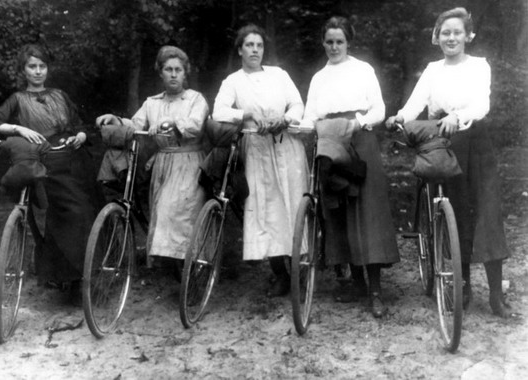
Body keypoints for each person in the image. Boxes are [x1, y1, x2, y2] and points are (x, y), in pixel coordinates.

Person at [386, 7, 514, 318]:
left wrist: (460, 116)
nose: (451, 37)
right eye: (445, 33)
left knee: (487, 211)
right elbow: (416, 104)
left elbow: (481, 103)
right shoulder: (432, 70)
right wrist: (399, 117)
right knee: (454, 212)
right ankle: (463, 286)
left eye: (457, 32)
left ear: (468, 35)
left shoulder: (479, 66)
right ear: (437, 37)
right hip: (442, 146)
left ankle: (496, 294)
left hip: (476, 142)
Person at [0, 43, 104, 305]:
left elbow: (78, 124)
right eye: (32, 66)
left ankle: (88, 277)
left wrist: (81, 135)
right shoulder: (17, 99)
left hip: (75, 160)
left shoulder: (60, 95)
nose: (38, 71)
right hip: (49, 163)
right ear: (24, 70)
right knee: (70, 213)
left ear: (47, 68)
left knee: (90, 208)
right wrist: (18, 129)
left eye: (42, 66)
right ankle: (68, 279)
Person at [303, 16, 399, 318]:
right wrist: (292, 126)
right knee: (339, 211)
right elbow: (309, 116)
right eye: (329, 41)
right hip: (330, 142)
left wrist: (356, 123)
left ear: (348, 42)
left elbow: (379, 109)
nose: (334, 47)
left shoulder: (362, 70)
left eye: (339, 41)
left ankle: (374, 290)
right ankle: (356, 284)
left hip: (360, 139)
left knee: (367, 213)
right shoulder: (319, 78)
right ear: (323, 43)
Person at [212, 24, 309, 297]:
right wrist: (246, 114)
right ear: (240, 49)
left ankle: (300, 269)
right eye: (249, 45)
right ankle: (280, 273)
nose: (255, 50)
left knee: (292, 205)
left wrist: (285, 119)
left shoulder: (279, 75)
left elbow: (297, 105)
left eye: (259, 45)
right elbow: (219, 111)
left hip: (287, 147)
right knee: (265, 212)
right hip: (256, 150)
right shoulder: (233, 81)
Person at [96, 46, 208, 272]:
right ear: (161, 73)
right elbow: (136, 124)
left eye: (178, 69)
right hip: (163, 165)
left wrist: (170, 123)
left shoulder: (195, 99)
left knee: (177, 212)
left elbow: (195, 125)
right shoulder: (152, 102)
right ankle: (176, 265)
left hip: (189, 162)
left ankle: (193, 265)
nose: (174, 74)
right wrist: (116, 119)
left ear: (185, 73)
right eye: (168, 69)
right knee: (162, 213)